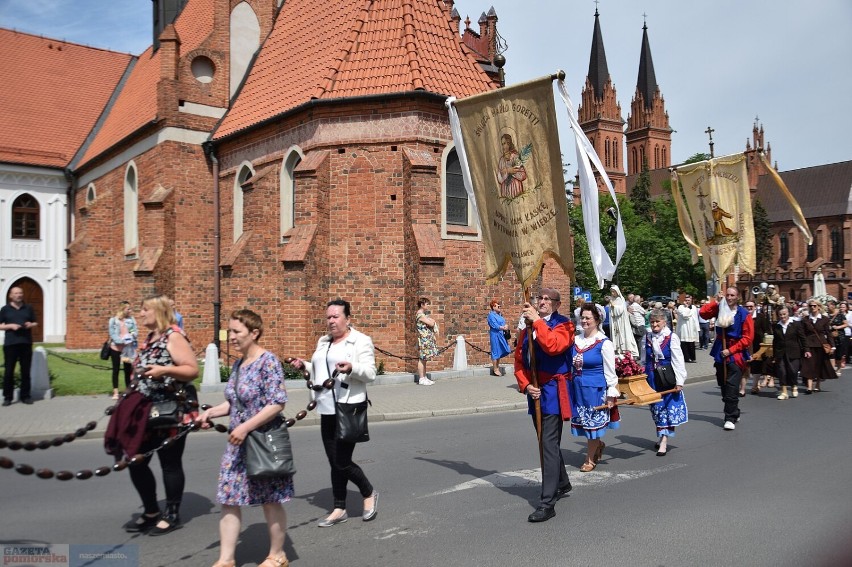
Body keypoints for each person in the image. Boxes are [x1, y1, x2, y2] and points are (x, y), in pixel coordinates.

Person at [199, 310, 291, 567]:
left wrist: (245, 427)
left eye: (237, 332)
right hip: (237, 446)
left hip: (261, 443)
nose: (231, 337)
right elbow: (234, 402)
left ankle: (278, 555)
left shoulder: (268, 362)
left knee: (270, 500)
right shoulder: (239, 364)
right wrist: (211, 413)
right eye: (230, 332)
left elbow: (277, 403)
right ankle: (226, 559)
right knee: (229, 499)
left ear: (254, 333)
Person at [291, 299, 378, 528]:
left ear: (347, 318)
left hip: (348, 407)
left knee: (341, 460)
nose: (330, 321)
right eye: (328, 317)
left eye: (335, 316)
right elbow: (321, 369)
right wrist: (305, 366)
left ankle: (368, 492)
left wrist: (352, 368)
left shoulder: (360, 341)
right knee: (334, 461)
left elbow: (370, 373)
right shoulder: (324, 342)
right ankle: (339, 508)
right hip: (326, 408)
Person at [120, 295, 198, 535]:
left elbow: (191, 369)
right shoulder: (149, 338)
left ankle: (172, 513)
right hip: (144, 411)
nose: (140, 314)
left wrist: (164, 369)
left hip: (170, 411)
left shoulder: (173, 336)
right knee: (135, 460)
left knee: (169, 463)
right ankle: (151, 510)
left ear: (159, 312)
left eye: (145, 310)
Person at [514, 288, 575, 523]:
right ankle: (562, 482)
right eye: (540, 298)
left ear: (557, 304)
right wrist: (526, 384)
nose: (542, 302)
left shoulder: (565, 325)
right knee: (545, 441)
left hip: (553, 391)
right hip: (536, 390)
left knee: (548, 444)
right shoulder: (527, 327)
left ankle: (547, 502)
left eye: (548, 299)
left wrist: (537, 322)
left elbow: (554, 346)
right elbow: (520, 359)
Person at [568, 304, 619, 472]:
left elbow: (611, 372)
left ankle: (589, 459)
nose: (584, 321)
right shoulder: (576, 340)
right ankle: (598, 445)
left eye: (588, 318)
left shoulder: (604, 343)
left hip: (595, 390)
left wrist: (611, 393)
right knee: (584, 425)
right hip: (578, 389)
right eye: (582, 317)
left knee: (592, 426)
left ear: (597, 320)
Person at [699, 288, 753, 431]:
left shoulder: (744, 314)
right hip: (720, 350)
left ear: (737, 297)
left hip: (735, 353)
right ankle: (734, 411)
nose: (729, 298)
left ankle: (729, 418)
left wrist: (731, 350)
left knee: (731, 386)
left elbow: (748, 338)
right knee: (723, 384)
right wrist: (715, 301)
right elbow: (703, 314)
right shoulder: (720, 308)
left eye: (732, 295)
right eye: (727, 295)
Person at [643, 309, 687, 456]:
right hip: (652, 377)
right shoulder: (647, 337)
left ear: (664, 322)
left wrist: (680, 381)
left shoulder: (671, 337)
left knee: (666, 409)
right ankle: (662, 435)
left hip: (666, 377)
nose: (655, 324)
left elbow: (678, 359)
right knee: (656, 409)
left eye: (658, 321)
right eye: (652, 322)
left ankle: (664, 440)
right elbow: (644, 359)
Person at [1, 286, 38, 406]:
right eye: (16, 293)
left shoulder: (28, 308)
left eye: (20, 293)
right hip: (11, 344)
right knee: (9, 372)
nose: (19, 295)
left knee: (25, 371)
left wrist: (30, 324)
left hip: (26, 343)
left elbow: (35, 322)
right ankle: (8, 397)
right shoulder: (5, 309)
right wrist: (10, 326)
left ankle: (25, 396)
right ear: (11, 295)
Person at [800, 299, 835, 394]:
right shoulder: (805, 319)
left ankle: (818, 385)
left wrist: (832, 346)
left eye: (814, 306)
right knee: (809, 365)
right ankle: (809, 387)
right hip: (809, 345)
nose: (812, 307)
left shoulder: (825, 319)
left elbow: (828, 333)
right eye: (811, 306)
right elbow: (802, 334)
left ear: (819, 307)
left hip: (821, 345)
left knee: (819, 365)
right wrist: (804, 346)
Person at [772, 306, 806, 400]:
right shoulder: (776, 326)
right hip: (780, 352)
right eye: (780, 315)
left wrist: (806, 350)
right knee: (782, 372)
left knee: (793, 371)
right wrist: (774, 355)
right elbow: (775, 341)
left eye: (784, 314)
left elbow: (802, 338)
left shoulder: (796, 324)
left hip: (794, 351)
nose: (782, 316)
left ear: (788, 314)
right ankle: (784, 392)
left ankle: (794, 385)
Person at [108, 300, 138, 399]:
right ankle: (115, 392)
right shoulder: (113, 320)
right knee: (115, 370)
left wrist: (132, 336)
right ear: (122, 309)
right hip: (116, 348)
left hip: (127, 349)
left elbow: (134, 331)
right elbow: (112, 334)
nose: (130, 310)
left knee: (127, 369)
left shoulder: (131, 320)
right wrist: (121, 341)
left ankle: (127, 391)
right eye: (128, 308)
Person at [609, 285, 638, 358]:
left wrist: (614, 307)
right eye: (611, 292)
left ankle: (624, 348)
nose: (612, 293)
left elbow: (620, 310)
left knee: (622, 334)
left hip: (621, 321)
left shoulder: (620, 299)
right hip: (615, 320)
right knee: (616, 334)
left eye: (613, 292)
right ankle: (617, 348)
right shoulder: (612, 299)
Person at [415, 297, 438, 386]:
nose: (428, 306)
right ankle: (421, 378)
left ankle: (424, 377)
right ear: (422, 304)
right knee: (422, 359)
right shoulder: (420, 315)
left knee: (425, 359)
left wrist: (431, 320)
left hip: (426, 339)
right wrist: (431, 321)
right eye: (427, 304)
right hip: (423, 339)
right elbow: (431, 323)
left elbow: (431, 322)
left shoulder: (423, 315)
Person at [496, 133, 527, 199]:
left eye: (504, 143)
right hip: (505, 190)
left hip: (515, 188)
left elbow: (523, 175)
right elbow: (499, 179)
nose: (503, 146)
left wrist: (513, 172)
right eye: (502, 144)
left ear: (509, 143)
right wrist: (506, 171)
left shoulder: (515, 157)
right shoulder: (501, 160)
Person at [487, 299, 511, 376]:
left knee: (501, 350)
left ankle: (497, 366)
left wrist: (506, 326)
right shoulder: (491, 315)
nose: (499, 307)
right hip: (495, 335)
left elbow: (503, 323)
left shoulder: (500, 315)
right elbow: (494, 325)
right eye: (498, 306)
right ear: (493, 307)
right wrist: (502, 327)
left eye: (500, 305)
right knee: (495, 351)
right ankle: (495, 369)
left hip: (501, 334)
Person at [676, 295, 699, 363]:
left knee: (691, 343)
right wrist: (686, 307)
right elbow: (685, 315)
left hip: (692, 328)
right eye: (686, 300)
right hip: (684, 328)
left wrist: (697, 327)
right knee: (684, 343)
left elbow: (695, 318)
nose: (687, 302)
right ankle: (686, 358)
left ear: (691, 300)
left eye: (689, 300)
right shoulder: (681, 307)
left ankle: (692, 357)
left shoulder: (694, 307)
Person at [827, 300, 847, 376]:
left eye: (828, 305)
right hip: (830, 337)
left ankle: (838, 368)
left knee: (839, 354)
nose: (827, 307)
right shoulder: (827, 315)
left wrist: (838, 327)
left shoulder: (840, 315)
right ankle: (832, 370)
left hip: (840, 337)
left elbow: (846, 324)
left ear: (833, 306)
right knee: (831, 353)